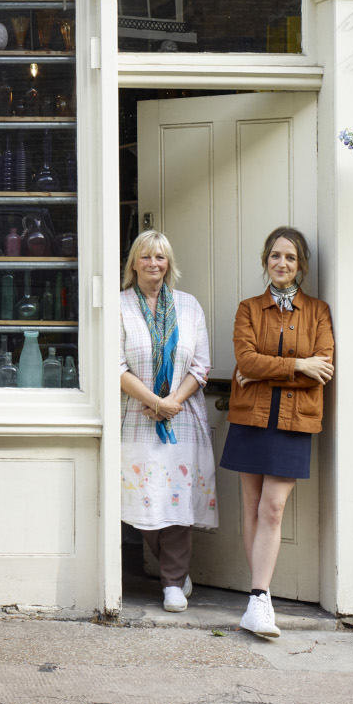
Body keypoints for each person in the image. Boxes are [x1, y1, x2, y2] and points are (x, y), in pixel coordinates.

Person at [222, 225, 334, 639]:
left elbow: (319, 372)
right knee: (252, 506)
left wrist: (293, 370)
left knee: (272, 509)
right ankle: (259, 600)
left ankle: (258, 599)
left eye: (290, 257)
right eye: (275, 256)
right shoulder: (249, 309)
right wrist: (297, 365)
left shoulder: (318, 312)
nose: (282, 263)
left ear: (300, 264)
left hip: (293, 421)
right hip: (251, 418)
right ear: (266, 261)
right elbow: (245, 361)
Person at [117, 229, 217, 612]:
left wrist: (171, 402)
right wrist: (153, 401)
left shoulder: (189, 306)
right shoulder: (121, 305)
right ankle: (172, 569)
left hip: (181, 418)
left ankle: (173, 582)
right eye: (146, 257)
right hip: (137, 416)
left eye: (160, 257)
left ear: (168, 263)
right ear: (134, 264)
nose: (153, 263)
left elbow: (202, 364)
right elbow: (116, 365)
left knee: (175, 501)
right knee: (143, 498)